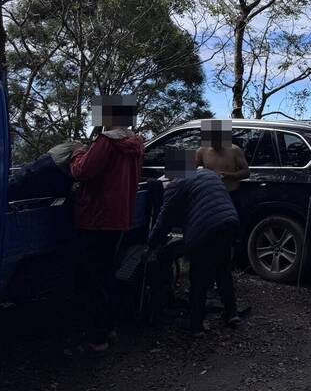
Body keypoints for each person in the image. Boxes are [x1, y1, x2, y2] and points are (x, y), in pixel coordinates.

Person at [66, 96, 144, 356]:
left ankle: (96, 338)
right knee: (107, 273)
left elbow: (82, 171)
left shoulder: (106, 142)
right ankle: (109, 328)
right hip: (119, 217)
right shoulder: (135, 143)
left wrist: (77, 151)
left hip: (96, 218)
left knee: (92, 279)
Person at [148, 150, 241, 334]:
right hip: (230, 222)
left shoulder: (176, 185)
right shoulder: (208, 174)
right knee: (222, 269)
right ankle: (231, 313)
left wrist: (152, 242)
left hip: (206, 229)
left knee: (199, 274)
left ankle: (195, 324)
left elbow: (164, 220)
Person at [195, 120, 250, 192]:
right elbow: (186, 173)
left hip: (231, 193)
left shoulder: (234, 150)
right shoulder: (201, 151)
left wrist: (230, 175)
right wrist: (203, 176)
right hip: (209, 192)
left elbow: (246, 172)